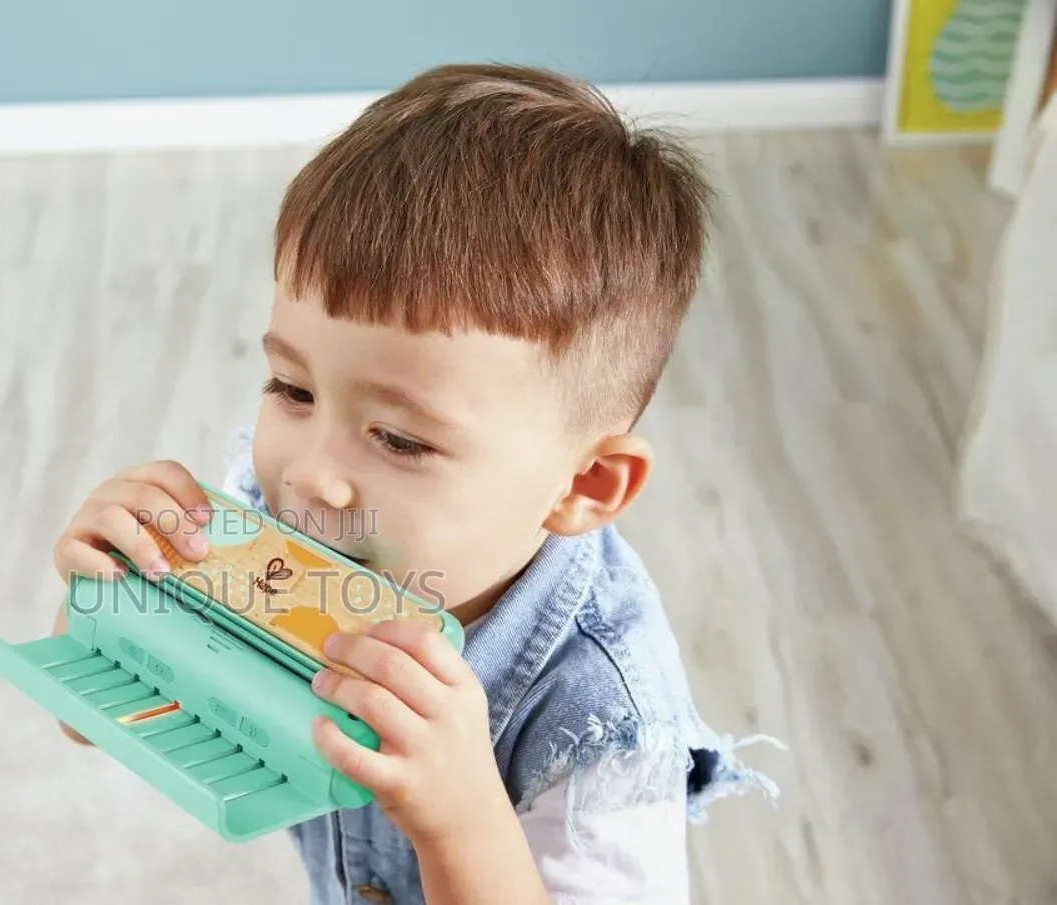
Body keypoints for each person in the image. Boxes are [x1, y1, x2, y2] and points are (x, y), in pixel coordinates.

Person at [49, 63, 781, 905]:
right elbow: (100, 719)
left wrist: (460, 818)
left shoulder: (602, 714)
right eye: (293, 390)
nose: (308, 475)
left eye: (398, 438)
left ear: (584, 483)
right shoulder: (270, 540)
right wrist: (102, 604)